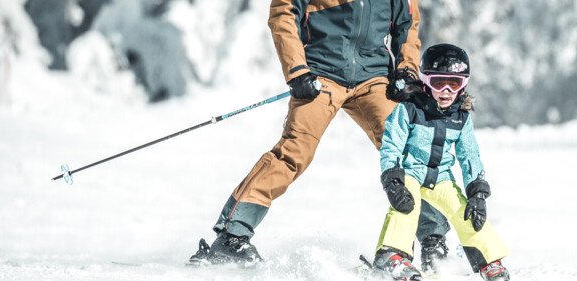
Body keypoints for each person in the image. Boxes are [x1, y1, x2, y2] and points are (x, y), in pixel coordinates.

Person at [188, 0, 454, 266]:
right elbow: (283, 12)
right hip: (321, 75)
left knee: (411, 152)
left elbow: (407, 25)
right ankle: (232, 236)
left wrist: (406, 70)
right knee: (294, 153)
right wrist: (297, 71)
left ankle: (434, 239)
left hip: (374, 78)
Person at [371, 44, 510, 281]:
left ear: (464, 85)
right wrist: (393, 180)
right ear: (426, 81)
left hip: (441, 178)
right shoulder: (410, 109)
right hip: (411, 172)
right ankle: (392, 256)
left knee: (466, 211)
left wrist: (477, 192)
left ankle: (490, 261)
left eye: (454, 84)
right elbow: (391, 144)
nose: (446, 91)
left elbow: (469, 155)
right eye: (438, 83)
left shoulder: (461, 117)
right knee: (406, 205)